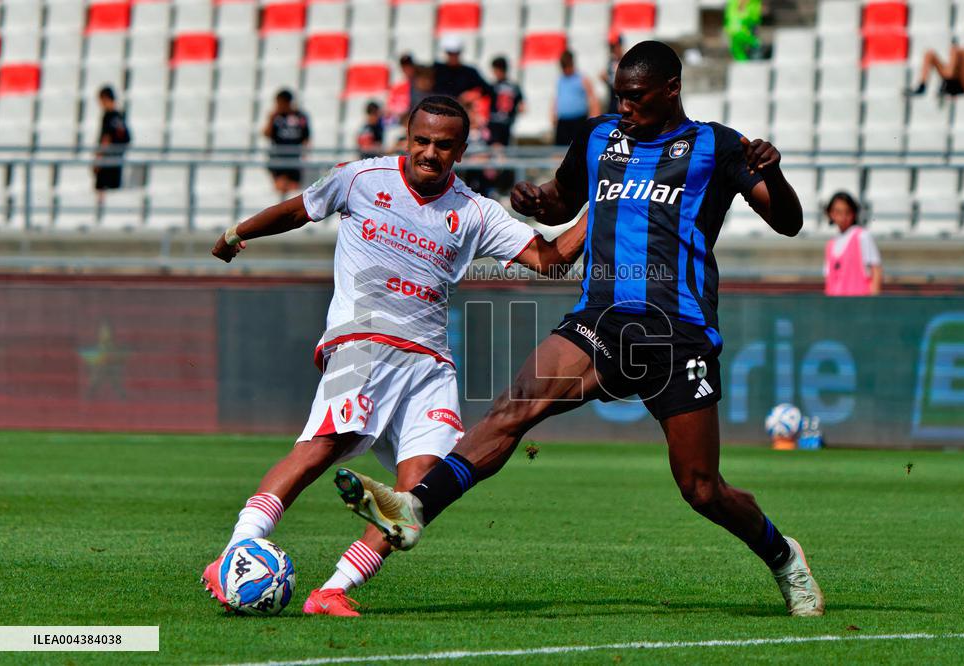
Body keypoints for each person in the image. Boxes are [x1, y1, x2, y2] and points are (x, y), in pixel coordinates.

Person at [335, 41, 826, 618]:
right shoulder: (599, 138)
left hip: (678, 332)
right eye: (619, 94)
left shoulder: (717, 145)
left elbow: (788, 223)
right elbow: (560, 203)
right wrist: (533, 198)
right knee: (514, 407)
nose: (625, 106)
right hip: (601, 318)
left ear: (672, 89)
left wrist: (775, 172)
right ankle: (414, 508)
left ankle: (781, 555)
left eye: (637, 97)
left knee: (701, 489)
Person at [200, 95, 588, 617]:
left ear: (462, 150)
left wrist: (607, 203)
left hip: (430, 363)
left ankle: (332, 590)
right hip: (363, 343)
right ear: (406, 137)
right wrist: (236, 233)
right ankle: (233, 555)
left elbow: (555, 259)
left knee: (418, 495)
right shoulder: (362, 179)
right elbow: (298, 209)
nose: (430, 153)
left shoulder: (473, 212)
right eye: (421, 141)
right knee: (321, 447)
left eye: (443, 146)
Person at [908, 22, 964, 96]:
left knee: (958, 51)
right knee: (929, 53)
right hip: (955, 77)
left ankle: (947, 80)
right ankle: (922, 85)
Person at [823, 191, 882, 296]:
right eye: (838, 212)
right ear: (831, 214)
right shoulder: (831, 244)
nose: (843, 217)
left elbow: (875, 269)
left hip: (858, 302)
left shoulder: (862, 236)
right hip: (836, 305)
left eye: (847, 212)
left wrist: (873, 301)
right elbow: (829, 278)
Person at [264, 89, 310, 196]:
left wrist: (303, 153)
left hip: (294, 158)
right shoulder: (275, 117)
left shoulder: (300, 116)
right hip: (278, 158)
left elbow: (306, 137)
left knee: (294, 191)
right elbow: (266, 134)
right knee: (279, 188)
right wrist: (271, 118)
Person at [553, 50, 600, 146]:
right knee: (559, 151)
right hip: (563, 122)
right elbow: (557, 98)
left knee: (579, 149)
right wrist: (553, 113)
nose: (565, 69)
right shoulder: (560, 80)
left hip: (578, 121)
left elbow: (593, 99)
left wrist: (593, 120)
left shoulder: (582, 78)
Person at [93, 86, 130, 199]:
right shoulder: (119, 116)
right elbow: (127, 138)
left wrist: (98, 158)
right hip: (117, 161)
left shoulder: (108, 116)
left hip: (106, 161)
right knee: (114, 196)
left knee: (102, 195)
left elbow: (106, 138)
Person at [432, 35, 490, 100]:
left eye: (456, 53)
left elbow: (488, 89)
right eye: (450, 53)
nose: (453, 56)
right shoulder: (436, 70)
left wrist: (473, 94)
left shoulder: (469, 72)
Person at [487, 56, 524, 148]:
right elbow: (522, 106)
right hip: (507, 123)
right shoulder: (514, 86)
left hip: (495, 122)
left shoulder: (493, 86)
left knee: (496, 148)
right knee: (504, 148)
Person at [386, 53, 417, 123]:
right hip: (400, 121)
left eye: (408, 65)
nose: (407, 69)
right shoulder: (396, 87)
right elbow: (390, 108)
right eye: (404, 66)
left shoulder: (421, 86)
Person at [600, 36, 624, 114]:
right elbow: (606, 76)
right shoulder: (611, 62)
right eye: (612, 48)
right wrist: (606, 79)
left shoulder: (626, 60)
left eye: (615, 47)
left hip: (623, 97)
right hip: (613, 97)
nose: (614, 50)